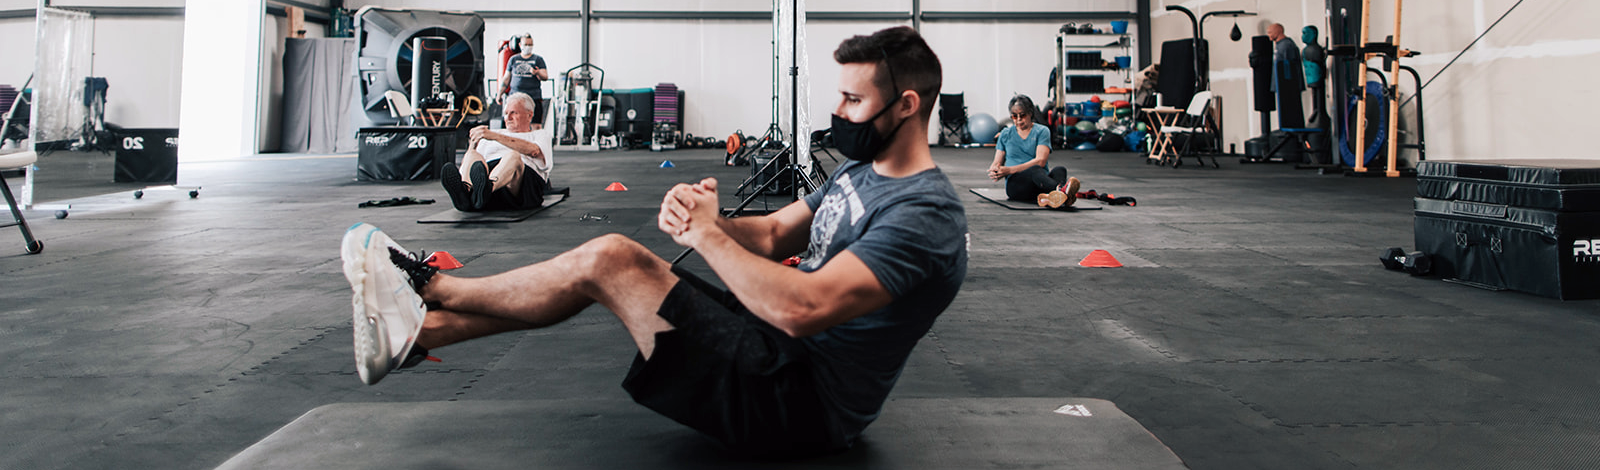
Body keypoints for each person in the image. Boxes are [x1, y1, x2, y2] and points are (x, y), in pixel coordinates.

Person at [339, 26, 967, 457]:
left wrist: (704, 237)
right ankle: (420, 334)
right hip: (774, 353)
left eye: (854, 100)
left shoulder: (924, 217)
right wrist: (711, 218)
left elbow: (804, 309)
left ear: (906, 105)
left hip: (800, 405)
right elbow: (774, 234)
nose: (839, 112)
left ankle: (429, 286)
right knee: (606, 264)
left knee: (612, 258)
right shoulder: (861, 170)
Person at [440, 92, 553, 212]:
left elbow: (534, 151)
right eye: (505, 113)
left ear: (529, 115)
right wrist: (473, 142)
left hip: (521, 185)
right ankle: (466, 192)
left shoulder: (539, 134)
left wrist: (495, 136)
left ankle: (487, 188)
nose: (508, 118)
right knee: (472, 154)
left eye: (514, 113)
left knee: (513, 156)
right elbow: (474, 164)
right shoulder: (491, 134)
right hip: (489, 175)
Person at [987, 94, 1080, 207]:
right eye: (1015, 116)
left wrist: (1009, 169)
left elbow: (1041, 161)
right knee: (1034, 170)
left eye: (1022, 115)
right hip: (1017, 187)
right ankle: (1061, 192)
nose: (1019, 120)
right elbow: (997, 162)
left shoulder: (1042, 131)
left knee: (1059, 170)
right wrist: (995, 170)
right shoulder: (1005, 134)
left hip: (1040, 183)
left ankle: (1051, 197)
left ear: (1031, 113)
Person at [500, 34, 549, 130]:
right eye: (526, 44)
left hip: (533, 97)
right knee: (513, 123)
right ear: (520, 45)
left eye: (530, 44)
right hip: (515, 97)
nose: (528, 47)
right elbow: (506, 78)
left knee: (536, 125)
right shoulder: (513, 59)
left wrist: (537, 72)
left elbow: (545, 76)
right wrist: (499, 94)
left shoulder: (538, 60)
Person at [1267, 23, 1306, 129]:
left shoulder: (1287, 46)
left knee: (1291, 112)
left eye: (1270, 32)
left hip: (1288, 89)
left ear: (1278, 31)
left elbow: (1290, 69)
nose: (1269, 35)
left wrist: (1288, 86)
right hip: (1281, 87)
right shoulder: (1279, 46)